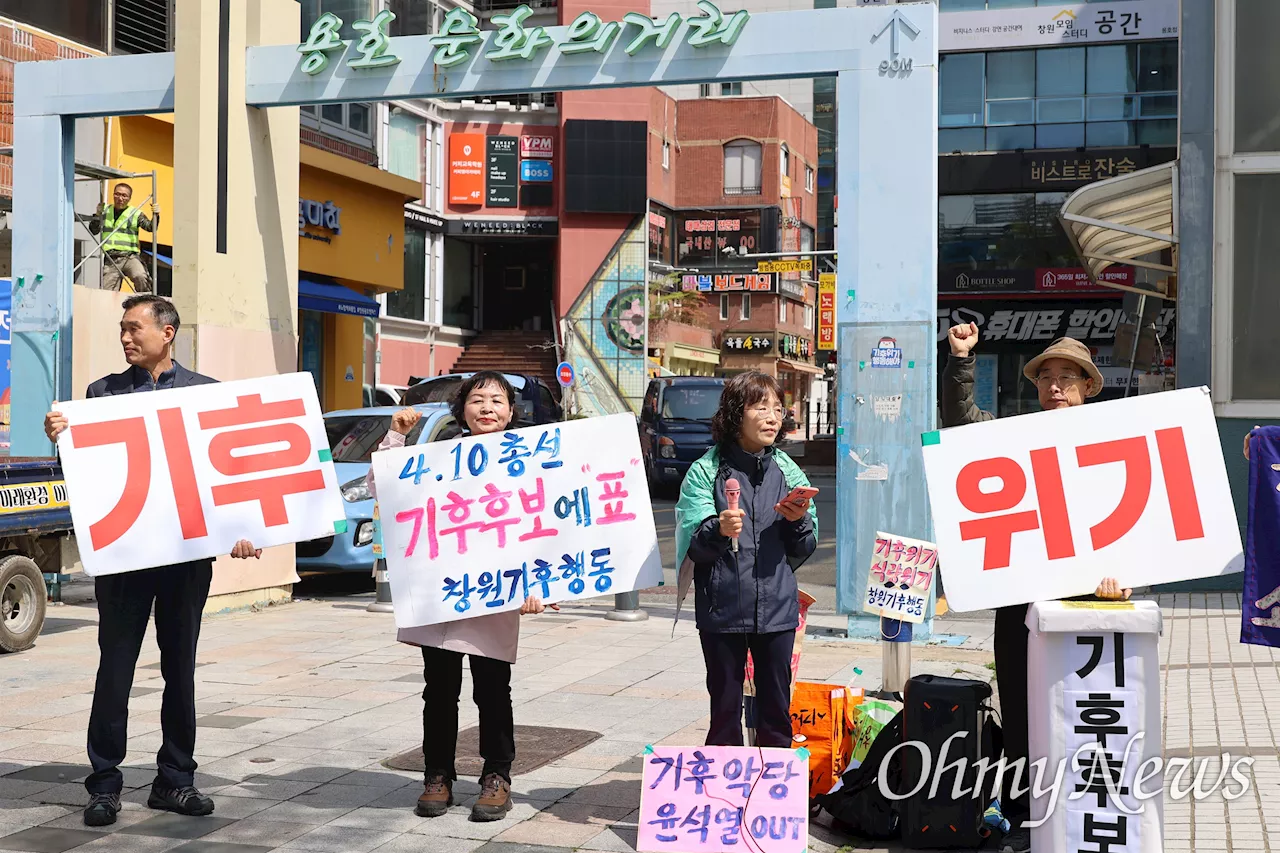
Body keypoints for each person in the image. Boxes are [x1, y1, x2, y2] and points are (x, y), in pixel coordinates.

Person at [42, 294, 260, 827]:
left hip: (186, 558)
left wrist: (240, 530)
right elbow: (92, 475)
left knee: (179, 669)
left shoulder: (205, 394)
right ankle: (104, 784)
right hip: (125, 558)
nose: (125, 338)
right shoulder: (103, 394)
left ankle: (176, 780)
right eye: (121, 329)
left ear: (168, 332)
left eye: (134, 328)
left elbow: (225, 477)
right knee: (114, 670)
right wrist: (61, 442)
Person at [942, 323, 1131, 853]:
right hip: (1020, 599)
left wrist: (1124, 577)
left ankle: (1083, 810)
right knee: (1023, 707)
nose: (1054, 387)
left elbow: (1141, 525)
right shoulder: (1015, 438)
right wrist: (962, 361)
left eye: (1066, 378)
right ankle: (1027, 815)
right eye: (1045, 377)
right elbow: (961, 423)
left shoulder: (1116, 441)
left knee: (1081, 706)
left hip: (1089, 600)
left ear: (1089, 386)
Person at [365, 371, 551, 822]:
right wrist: (396, 435)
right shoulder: (437, 457)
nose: (488, 407)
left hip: (496, 592)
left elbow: (546, 525)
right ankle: (438, 776)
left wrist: (539, 585)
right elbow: (385, 489)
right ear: (461, 408)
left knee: (493, 690)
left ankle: (496, 776)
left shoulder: (530, 459)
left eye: (498, 400)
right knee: (439, 689)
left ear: (511, 412)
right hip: (442, 591)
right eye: (478, 399)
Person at [674, 371, 818, 748]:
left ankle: (773, 800)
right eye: (760, 407)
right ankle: (725, 799)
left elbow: (805, 547)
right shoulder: (706, 471)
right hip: (722, 612)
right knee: (724, 713)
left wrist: (798, 520)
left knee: (776, 711)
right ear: (736, 414)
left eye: (777, 408)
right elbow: (694, 546)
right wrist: (718, 530)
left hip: (778, 610)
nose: (773, 417)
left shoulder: (788, 470)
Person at [89, 182, 159, 293]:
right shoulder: (105, 210)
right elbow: (94, 230)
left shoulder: (135, 213)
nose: (120, 198)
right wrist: (97, 215)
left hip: (130, 257)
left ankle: (144, 300)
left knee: (140, 276)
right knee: (107, 292)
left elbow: (150, 227)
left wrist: (156, 215)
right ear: (113, 195)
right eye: (117, 194)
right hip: (111, 258)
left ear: (129, 198)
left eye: (124, 195)